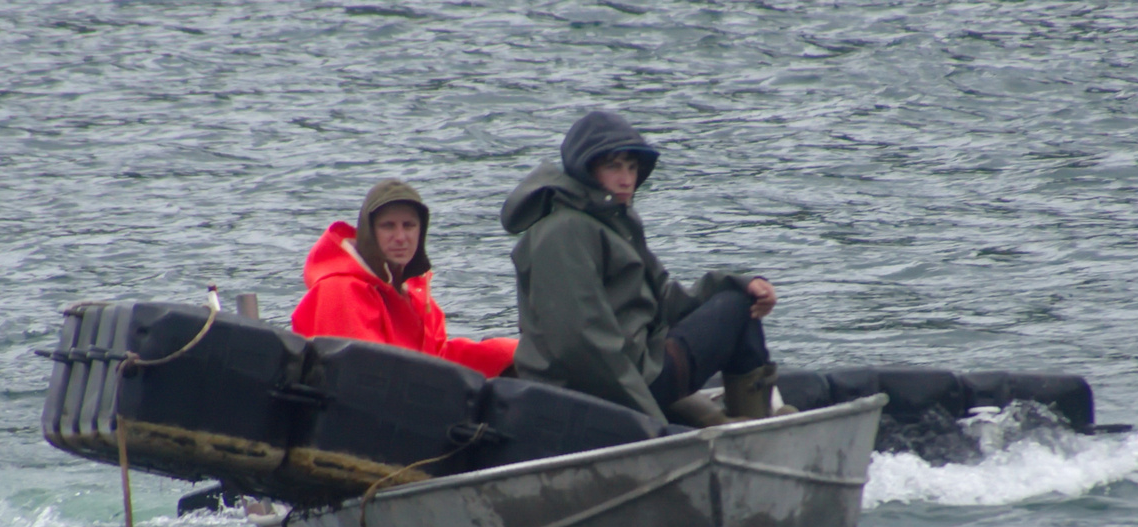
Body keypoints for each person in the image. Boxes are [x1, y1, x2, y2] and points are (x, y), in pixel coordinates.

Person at [500, 110, 787, 425]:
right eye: (613, 166)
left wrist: (738, 283)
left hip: (637, 365)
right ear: (585, 169)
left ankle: (749, 423)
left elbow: (663, 300)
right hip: (596, 389)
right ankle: (759, 426)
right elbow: (582, 346)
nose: (626, 179)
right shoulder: (564, 233)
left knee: (738, 298)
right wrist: (648, 419)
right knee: (736, 310)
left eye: (632, 167)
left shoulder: (614, 220)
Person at [290, 179, 516, 378]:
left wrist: (512, 352)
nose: (400, 237)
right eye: (388, 226)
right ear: (369, 233)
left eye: (409, 225)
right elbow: (365, 377)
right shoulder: (339, 290)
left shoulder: (417, 296)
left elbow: (439, 358)